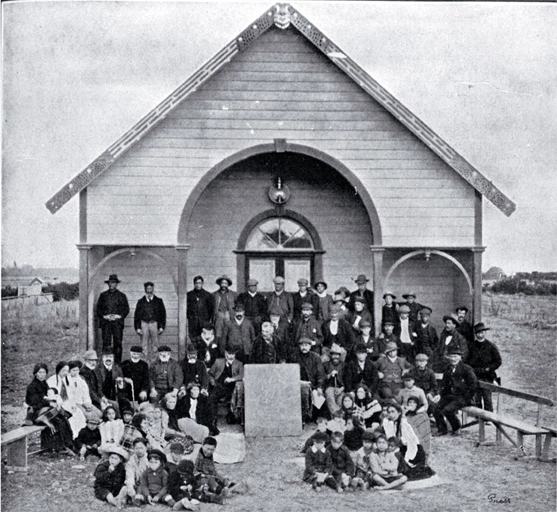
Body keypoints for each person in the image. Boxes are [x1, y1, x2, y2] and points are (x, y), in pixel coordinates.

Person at [24, 363, 75, 454]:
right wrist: (50, 403)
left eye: (44, 372)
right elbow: (34, 402)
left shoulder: (44, 383)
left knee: (63, 419)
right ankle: (54, 446)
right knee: (57, 420)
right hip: (35, 412)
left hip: (46, 410)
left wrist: (54, 402)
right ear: (36, 374)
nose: (42, 374)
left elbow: (49, 395)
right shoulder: (32, 386)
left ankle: (66, 445)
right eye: (40, 372)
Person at [382, 402, 434, 480]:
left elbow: (411, 442)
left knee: (408, 472)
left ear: (399, 413)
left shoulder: (404, 423)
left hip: (412, 450)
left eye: (393, 412)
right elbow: (390, 437)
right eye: (389, 412)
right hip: (400, 448)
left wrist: (406, 458)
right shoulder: (389, 423)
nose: (391, 414)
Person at [433, 347, 478, 436]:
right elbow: (444, 384)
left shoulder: (466, 369)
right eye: (451, 357)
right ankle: (442, 429)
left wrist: (466, 398)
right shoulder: (448, 369)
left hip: (463, 397)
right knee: (435, 407)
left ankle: (456, 427)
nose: (453, 359)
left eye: (455, 356)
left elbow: (474, 385)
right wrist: (439, 394)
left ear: (460, 357)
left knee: (447, 410)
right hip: (451, 396)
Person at [195, 437, 246, 502]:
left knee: (218, 477)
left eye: (212, 450)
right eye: (208, 449)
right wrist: (205, 475)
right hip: (198, 478)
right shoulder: (196, 456)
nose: (209, 451)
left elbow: (212, 470)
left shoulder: (209, 455)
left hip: (207, 474)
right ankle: (221, 491)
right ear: (202, 445)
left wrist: (219, 478)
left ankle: (229, 485)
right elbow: (193, 471)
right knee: (210, 480)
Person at [207, 347, 244, 433]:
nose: (231, 356)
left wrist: (232, 379)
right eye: (229, 354)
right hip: (218, 386)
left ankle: (233, 416)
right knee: (212, 398)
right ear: (225, 354)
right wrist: (212, 382)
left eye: (233, 354)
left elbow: (242, 375)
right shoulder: (218, 362)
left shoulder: (239, 364)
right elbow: (209, 374)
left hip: (232, 388)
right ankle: (213, 422)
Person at [467, 322, 502, 412]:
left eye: (482, 332)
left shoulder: (491, 346)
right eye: (478, 333)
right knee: (477, 397)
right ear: (476, 334)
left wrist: (489, 368)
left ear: (485, 333)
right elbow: (466, 361)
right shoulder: (471, 346)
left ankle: (489, 418)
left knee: (487, 398)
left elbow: (498, 361)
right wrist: (471, 370)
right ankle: (479, 417)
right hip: (475, 375)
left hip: (487, 376)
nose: (480, 335)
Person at [47, 361, 87, 439]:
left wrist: (73, 404)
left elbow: (71, 394)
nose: (65, 373)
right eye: (63, 371)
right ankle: (72, 438)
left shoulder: (67, 379)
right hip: (58, 404)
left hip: (67, 403)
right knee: (70, 418)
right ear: (59, 370)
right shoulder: (52, 380)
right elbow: (51, 395)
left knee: (79, 414)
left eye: (66, 371)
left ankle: (80, 437)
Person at [96, 274, 130, 364]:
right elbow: (98, 309)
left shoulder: (122, 296)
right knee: (106, 343)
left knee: (118, 344)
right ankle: (105, 363)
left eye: (114, 283)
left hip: (117, 324)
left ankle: (117, 364)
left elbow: (126, 309)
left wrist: (119, 316)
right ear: (108, 284)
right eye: (111, 282)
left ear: (116, 284)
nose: (112, 284)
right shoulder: (103, 296)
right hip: (106, 324)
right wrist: (104, 316)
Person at [293, 337, 325, 423]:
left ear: (310, 346)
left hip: (313, 384)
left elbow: (320, 373)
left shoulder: (316, 357)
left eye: (306, 345)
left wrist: (319, 386)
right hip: (298, 384)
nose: (304, 347)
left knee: (318, 398)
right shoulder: (295, 357)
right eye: (302, 345)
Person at [134, 281, 166, 359]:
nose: (149, 290)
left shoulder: (158, 301)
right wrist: (137, 327)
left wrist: (161, 326)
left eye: (150, 288)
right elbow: (137, 315)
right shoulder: (141, 302)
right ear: (145, 289)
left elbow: (163, 315)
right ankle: (144, 361)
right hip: (144, 324)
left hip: (154, 323)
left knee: (155, 344)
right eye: (147, 288)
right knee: (144, 344)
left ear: (153, 289)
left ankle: (155, 361)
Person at [323, 344, 346, 417]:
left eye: (337, 355)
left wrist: (341, 389)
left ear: (340, 356)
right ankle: (337, 416)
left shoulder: (344, 365)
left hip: (341, 388)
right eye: (333, 355)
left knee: (341, 400)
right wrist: (330, 375)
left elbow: (347, 380)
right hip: (329, 387)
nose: (335, 357)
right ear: (331, 355)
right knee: (330, 397)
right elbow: (322, 378)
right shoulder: (326, 365)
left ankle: (337, 419)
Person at [212, 275, 237, 340]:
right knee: (218, 330)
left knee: (229, 329)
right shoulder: (215, 294)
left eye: (225, 283)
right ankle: (218, 345)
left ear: (228, 284)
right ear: (220, 284)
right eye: (222, 283)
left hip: (228, 313)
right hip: (219, 313)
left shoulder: (233, 294)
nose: (224, 285)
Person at [124, 437, 149, 504]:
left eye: (141, 448)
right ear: (134, 449)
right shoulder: (131, 460)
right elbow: (129, 475)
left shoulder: (149, 460)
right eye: (137, 448)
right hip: (135, 484)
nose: (139, 451)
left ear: (146, 448)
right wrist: (130, 487)